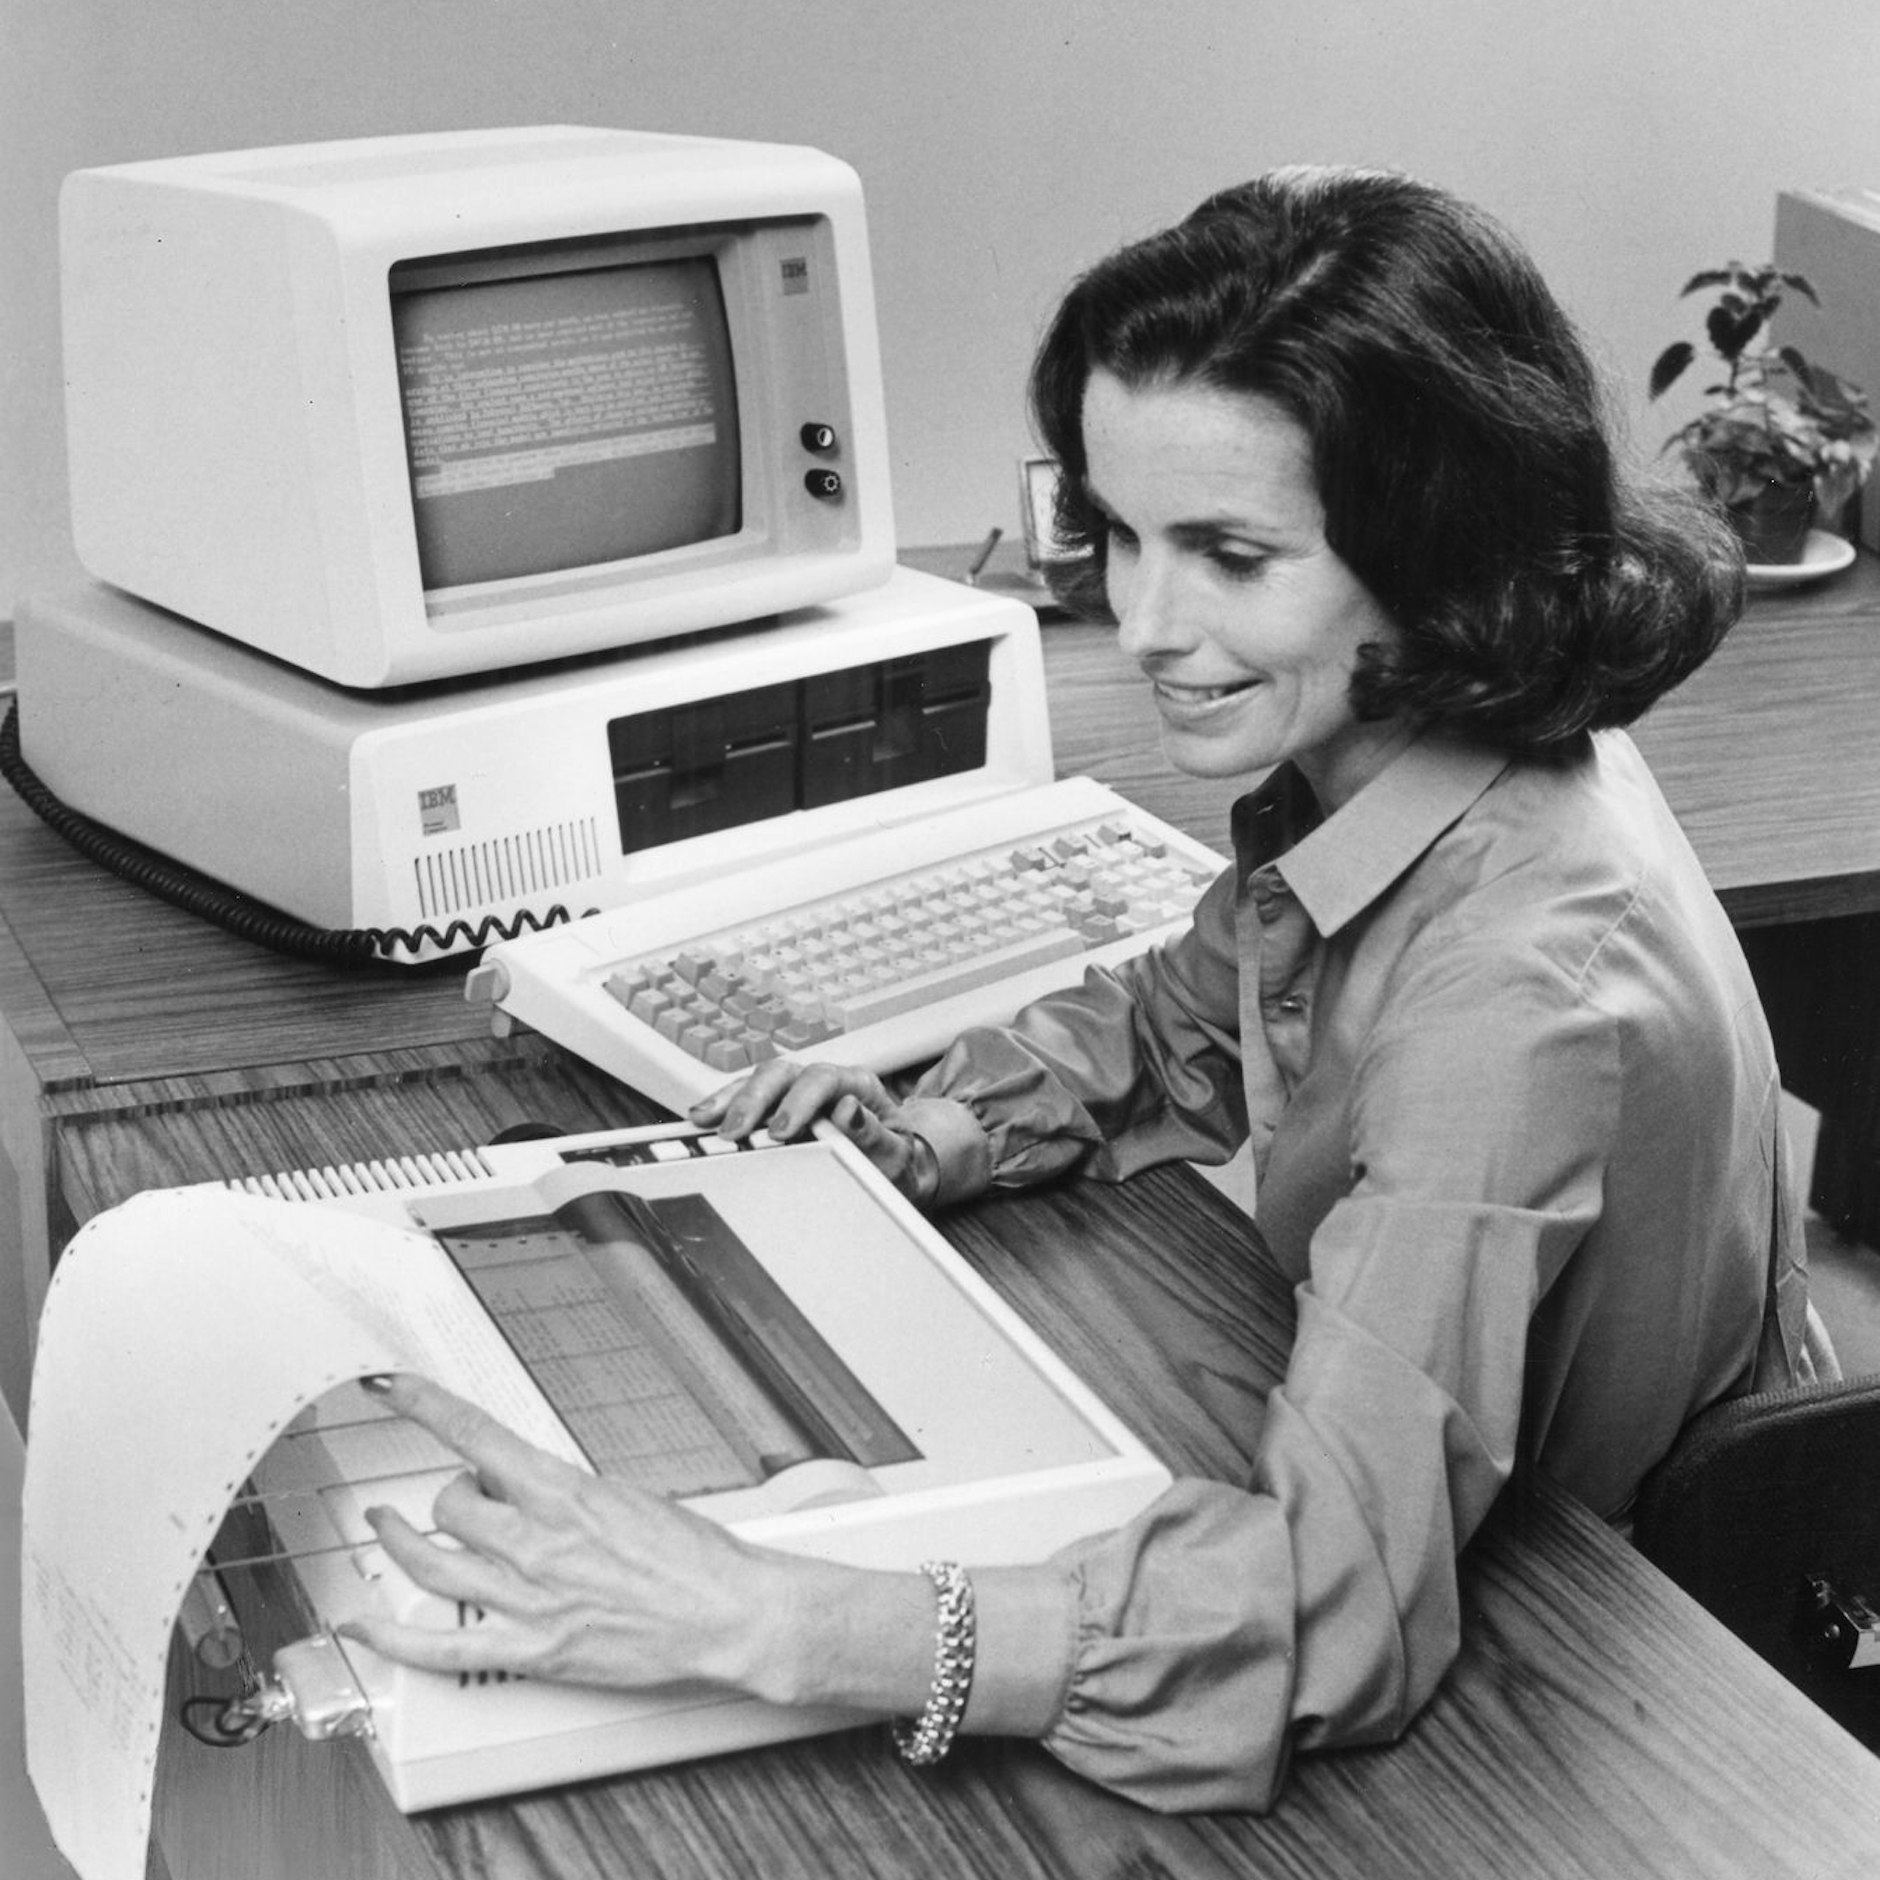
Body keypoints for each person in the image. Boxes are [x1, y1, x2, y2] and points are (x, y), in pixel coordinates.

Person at [345, 167, 1826, 1812]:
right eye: (1121, 535)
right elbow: (1190, 1017)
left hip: (1629, 1664)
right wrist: (932, 1130)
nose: (1145, 624)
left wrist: (767, 1617)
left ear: (1438, 551)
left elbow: (1327, 1614)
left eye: (1232, 556)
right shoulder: (1413, 744)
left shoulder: (1514, 994)